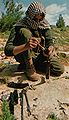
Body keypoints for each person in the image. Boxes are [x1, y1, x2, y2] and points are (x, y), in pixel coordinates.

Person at [4, 1, 64, 81]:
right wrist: (25, 46)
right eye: (35, 19)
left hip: (40, 56)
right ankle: (29, 66)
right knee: (25, 32)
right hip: (23, 56)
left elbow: (50, 42)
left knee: (59, 69)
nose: (38, 22)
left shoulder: (45, 26)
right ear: (29, 15)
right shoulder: (18, 27)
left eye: (41, 19)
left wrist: (50, 49)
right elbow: (7, 51)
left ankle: (29, 66)